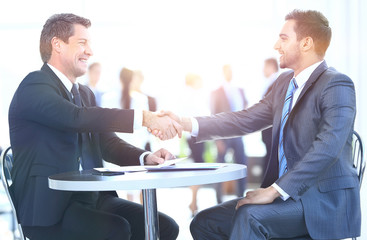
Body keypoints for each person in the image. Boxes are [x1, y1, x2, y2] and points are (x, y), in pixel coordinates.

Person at [158, 9, 360, 239]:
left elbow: (327, 148)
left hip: (320, 203)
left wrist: (274, 190)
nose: (276, 45)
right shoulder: (284, 83)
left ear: (306, 43)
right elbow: (244, 119)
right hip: (286, 198)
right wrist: (183, 122)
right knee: (204, 222)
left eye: (284, 38)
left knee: (250, 216)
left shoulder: (336, 85)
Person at [8, 13, 181, 240]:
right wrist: (146, 118)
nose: (90, 51)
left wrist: (146, 157)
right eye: (82, 43)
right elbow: (75, 118)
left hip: (93, 198)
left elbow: (106, 143)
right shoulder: (34, 85)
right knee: (116, 230)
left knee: (165, 226)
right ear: (57, 45)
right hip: (50, 208)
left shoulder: (85, 94)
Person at [210, 64, 248, 203]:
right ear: (223, 73)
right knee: (219, 167)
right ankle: (218, 199)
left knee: (242, 164)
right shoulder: (216, 92)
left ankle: (241, 198)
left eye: (231, 71)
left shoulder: (240, 91)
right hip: (223, 136)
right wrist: (217, 139)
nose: (230, 73)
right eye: (227, 71)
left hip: (238, 135)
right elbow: (213, 116)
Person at [180, 73, 210, 216]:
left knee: (196, 169)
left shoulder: (186, 96)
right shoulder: (194, 96)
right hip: (196, 137)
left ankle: (193, 202)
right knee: (198, 169)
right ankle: (193, 202)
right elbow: (203, 118)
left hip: (191, 138)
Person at [260, 58, 279, 176]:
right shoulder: (270, 83)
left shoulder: (277, 83)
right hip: (269, 133)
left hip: (272, 133)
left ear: (271, 67)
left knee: (271, 166)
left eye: (264, 67)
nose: (262, 70)